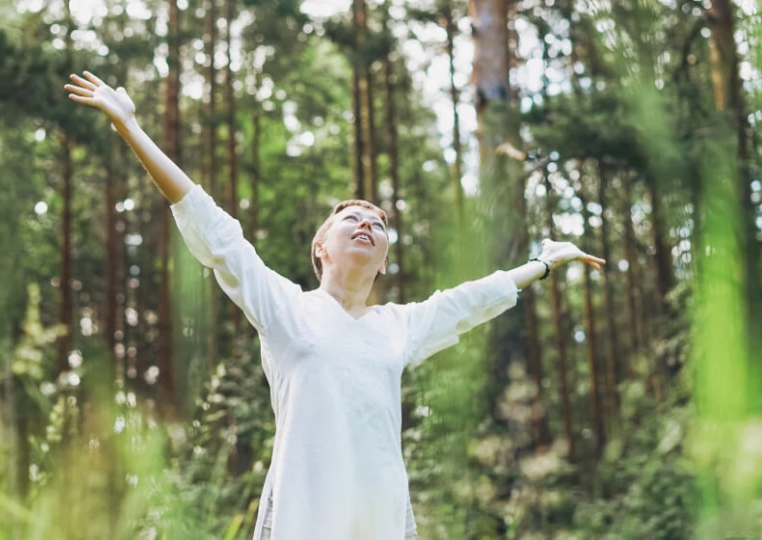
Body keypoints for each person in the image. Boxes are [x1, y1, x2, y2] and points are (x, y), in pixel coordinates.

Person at [65, 71, 605, 540]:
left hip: (378, 519)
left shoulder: (399, 326)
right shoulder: (285, 308)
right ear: (321, 249)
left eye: (379, 224)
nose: (368, 225)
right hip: (303, 514)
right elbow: (215, 230)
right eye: (353, 220)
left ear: (385, 260)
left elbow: (470, 302)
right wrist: (130, 128)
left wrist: (544, 262)